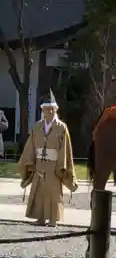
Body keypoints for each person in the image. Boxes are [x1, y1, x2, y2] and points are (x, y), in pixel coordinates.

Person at [18, 89, 78, 227]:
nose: (50, 111)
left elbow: (65, 148)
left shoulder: (61, 127)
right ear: (42, 110)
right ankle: (40, 218)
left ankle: (52, 219)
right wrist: (29, 162)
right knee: (39, 190)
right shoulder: (37, 127)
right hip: (39, 162)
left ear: (56, 110)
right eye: (47, 109)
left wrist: (61, 166)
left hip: (54, 164)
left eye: (52, 109)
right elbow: (30, 146)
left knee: (53, 192)